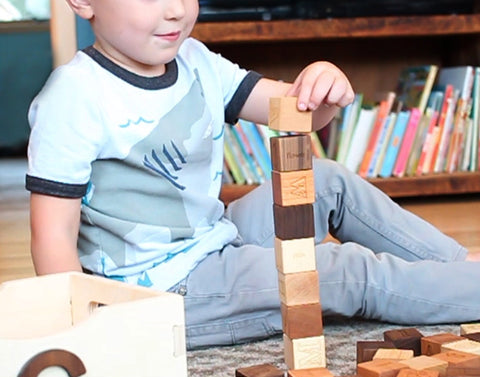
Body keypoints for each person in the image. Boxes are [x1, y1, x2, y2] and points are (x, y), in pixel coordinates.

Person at [26, 0, 480, 350]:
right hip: (158, 293)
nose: (176, 10)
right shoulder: (73, 97)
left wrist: (322, 84)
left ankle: (458, 269)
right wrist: (87, 340)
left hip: (215, 238)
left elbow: (295, 111)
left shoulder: (195, 60)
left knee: (327, 181)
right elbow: (52, 236)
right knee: (342, 272)